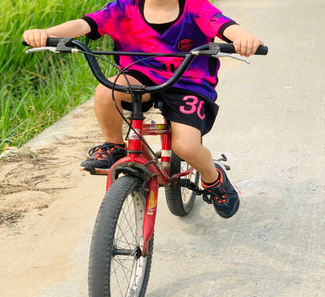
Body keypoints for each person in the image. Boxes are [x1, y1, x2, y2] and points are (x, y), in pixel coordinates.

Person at [23, 0, 264, 218]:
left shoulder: (195, 7)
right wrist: (46, 34)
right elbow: (83, 24)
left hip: (189, 82)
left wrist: (243, 37)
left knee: (187, 147)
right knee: (106, 91)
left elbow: (225, 26)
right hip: (140, 75)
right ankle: (113, 146)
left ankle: (214, 178)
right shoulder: (123, 8)